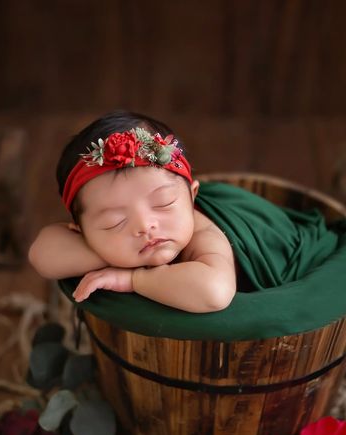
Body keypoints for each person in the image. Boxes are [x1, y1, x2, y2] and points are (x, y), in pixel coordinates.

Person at [29, 110, 237, 313]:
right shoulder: (110, 243)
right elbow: (41, 255)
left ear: (192, 196)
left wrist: (132, 279)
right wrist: (115, 253)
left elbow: (214, 293)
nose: (145, 226)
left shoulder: (204, 235)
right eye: (115, 222)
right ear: (80, 232)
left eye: (163, 203)